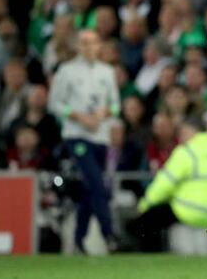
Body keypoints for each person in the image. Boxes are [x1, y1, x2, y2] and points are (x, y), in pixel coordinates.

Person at [48, 29, 120, 253]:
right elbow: (55, 104)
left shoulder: (107, 72)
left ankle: (79, 239)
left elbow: (116, 105)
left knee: (91, 188)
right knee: (98, 183)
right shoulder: (66, 71)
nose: (89, 47)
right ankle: (110, 235)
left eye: (93, 43)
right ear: (78, 46)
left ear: (99, 46)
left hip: (100, 135)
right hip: (76, 135)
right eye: (84, 43)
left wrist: (104, 113)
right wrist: (77, 115)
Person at [130, 118, 207, 252]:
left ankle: (149, 258)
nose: (179, 137)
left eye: (182, 133)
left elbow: (164, 184)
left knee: (144, 223)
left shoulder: (187, 151)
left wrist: (144, 205)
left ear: (191, 131)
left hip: (188, 210)